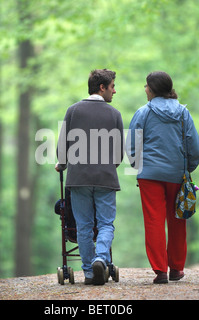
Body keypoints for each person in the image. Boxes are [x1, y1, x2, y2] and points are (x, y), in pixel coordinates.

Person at [127, 71, 199, 284]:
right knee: (177, 220)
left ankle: (160, 270)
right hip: (177, 174)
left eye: (146, 86)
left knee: (154, 220)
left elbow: (132, 145)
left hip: (149, 175)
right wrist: (188, 168)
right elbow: (194, 145)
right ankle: (176, 269)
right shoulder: (183, 113)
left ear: (151, 89)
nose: (144, 89)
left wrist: (138, 166)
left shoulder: (143, 113)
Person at [55, 69, 124, 285]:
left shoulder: (73, 111)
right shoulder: (114, 114)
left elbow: (62, 148)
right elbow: (118, 154)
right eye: (112, 86)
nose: (115, 90)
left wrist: (62, 164)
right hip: (105, 178)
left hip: (78, 178)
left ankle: (89, 272)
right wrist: (107, 166)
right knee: (105, 224)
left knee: (83, 226)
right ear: (101, 87)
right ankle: (101, 259)